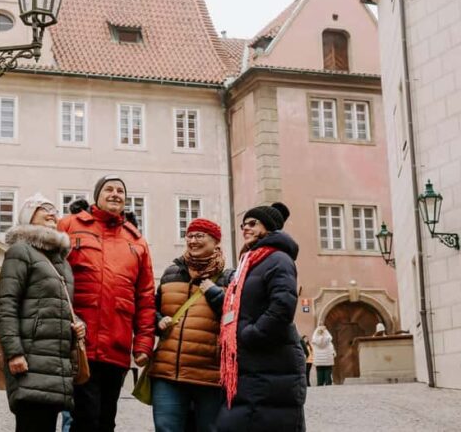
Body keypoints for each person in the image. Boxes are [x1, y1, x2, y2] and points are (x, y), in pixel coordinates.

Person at [58, 175, 156, 432]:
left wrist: (143, 343)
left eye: (120, 191)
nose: (115, 194)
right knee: (84, 418)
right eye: (109, 189)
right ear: (97, 196)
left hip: (117, 346)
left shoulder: (137, 241)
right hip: (79, 343)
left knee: (106, 420)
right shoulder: (69, 226)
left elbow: (145, 297)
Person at [0, 193, 86, 432]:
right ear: (28, 215)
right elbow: (6, 304)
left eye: (54, 209)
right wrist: (14, 352)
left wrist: (78, 324)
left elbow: (61, 308)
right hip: (31, 359)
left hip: (56, 364)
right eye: (43, 207)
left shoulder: (61, 262)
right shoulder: (20, 251)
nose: (52, 212)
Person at [216, 202, 306, 432]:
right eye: (243, 224)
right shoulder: (250, 262)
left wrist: (251, 334)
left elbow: (283, 305)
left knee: (267, 422)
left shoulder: (278, 259)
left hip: (270, 359)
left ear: (269, 227)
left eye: (252, 223)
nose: (245, 228)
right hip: (251, 362)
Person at [149, 218, 234, 432]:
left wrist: (215, 294)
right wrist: (158, 320)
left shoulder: (229, 277)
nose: (193, 241)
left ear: (216, 242)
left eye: (200, 236)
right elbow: (149, 310)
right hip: (169, 372)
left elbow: (236, 318)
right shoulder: (171, 273)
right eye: (189, 236)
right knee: (166, 428)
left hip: (209, 373)